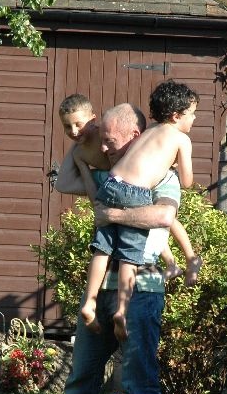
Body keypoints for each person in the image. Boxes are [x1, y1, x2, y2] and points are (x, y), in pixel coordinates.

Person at [41, 102, 179, 394]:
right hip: (102, 289)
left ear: (135, 137)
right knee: (81, 378)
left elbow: (163, 216)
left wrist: (113, 214)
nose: (103, 147)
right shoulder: (108, 174)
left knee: (138, 382)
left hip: (141, 292)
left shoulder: (162, 174)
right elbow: (64, 182)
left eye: (110, 140)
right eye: (101, 140)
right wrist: (79, 148)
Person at [74, 82, 202, 341]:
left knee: (102, 249)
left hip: (112, 182)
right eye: (192, 113)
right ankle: (121, 311)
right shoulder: (181, 139)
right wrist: (173, 165)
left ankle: (89, 302)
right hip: (135, 192)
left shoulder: (150, 129)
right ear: (176, 116)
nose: (194, 118)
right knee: (129, 256)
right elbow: (187, 182)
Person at [57, 94, 201, 290]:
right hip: (115, 185)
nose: (74, 131)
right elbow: (80, 183)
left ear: (92, 119)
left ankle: (188, 257)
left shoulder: (108, 131)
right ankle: (171, 263)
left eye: (78, 124)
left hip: (137, 181)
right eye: (67, 126)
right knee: (139, 221)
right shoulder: (79, 152)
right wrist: (98, 204)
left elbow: (144, 148)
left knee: (159, 215)